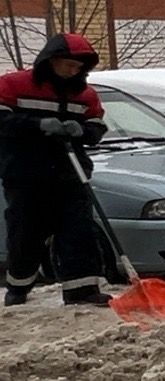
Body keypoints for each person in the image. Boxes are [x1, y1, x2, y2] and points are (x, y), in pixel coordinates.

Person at [0, 33, 111, 307]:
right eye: (68, 65)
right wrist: (37, 125)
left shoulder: (85, 94)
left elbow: (96, 128)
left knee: (79, 231)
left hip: (70, 174)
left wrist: (82, 130)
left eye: (78, 67)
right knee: (26, 232)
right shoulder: (14, 84)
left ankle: (82, 289)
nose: (73, 71)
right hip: (25, 174)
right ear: (50, 60)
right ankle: (19, 287)